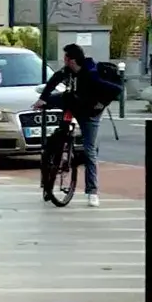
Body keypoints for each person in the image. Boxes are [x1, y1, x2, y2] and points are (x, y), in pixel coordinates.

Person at [38, 45, 106, 206]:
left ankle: (92, 191)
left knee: (89, 150)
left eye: (66, 58)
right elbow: (54, 80)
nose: (64, 61)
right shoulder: (67, 71)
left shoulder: (91, 72)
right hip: (73, 106)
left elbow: (99, 95)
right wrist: (43, 98)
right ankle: (50, 175)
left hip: (90, 113)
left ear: (72, 60)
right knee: (56, 140)